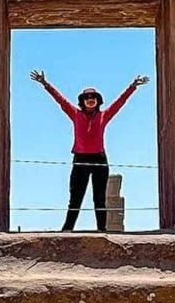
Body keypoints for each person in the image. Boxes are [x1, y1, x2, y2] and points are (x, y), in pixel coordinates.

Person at [30, 70, 150, 232]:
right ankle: (67, 229)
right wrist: (45, 84)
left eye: (93, 98)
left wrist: (133, 86)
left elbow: (120, 102)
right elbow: (60, 100)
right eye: (87, 98)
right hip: (80, 159)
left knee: (99, 197)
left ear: (98, 101)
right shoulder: (75, 114)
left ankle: (102, 229)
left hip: (99, 159)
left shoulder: (104, 115)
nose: (90, 100)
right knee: (75, 197)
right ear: (82, 101)